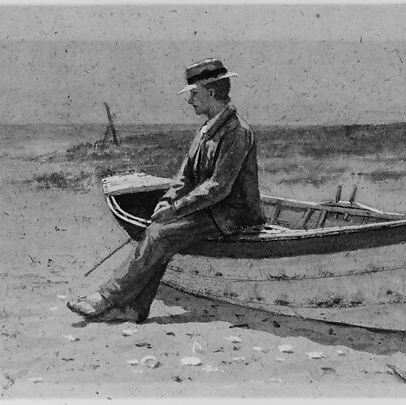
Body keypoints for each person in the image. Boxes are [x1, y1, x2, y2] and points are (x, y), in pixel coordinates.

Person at [67, 58, 265, 322]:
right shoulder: (206, 129)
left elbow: (218, 187)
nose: (189, 100)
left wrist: (176, 210)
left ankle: (109, 298)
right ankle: (134, 308)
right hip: (211, 210)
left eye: (193, 94)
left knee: (160, 236)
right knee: (158, 232)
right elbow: (185, 177)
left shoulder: (237, 131)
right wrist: (168, 200)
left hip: (234, 214)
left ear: (211, 92)